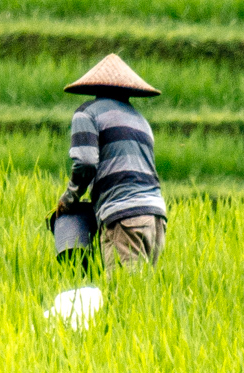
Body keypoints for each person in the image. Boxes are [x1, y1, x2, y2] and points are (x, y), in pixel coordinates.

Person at [54, 53, 167, 271]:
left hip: (124, 217)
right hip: (155, 218)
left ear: (96, 87)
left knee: (123, 296)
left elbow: (86, 163)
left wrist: (69, 197)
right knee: (143, 297)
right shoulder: (140, 120)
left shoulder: (87, 113)